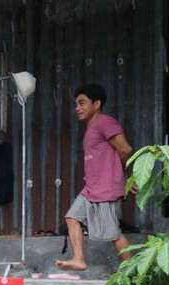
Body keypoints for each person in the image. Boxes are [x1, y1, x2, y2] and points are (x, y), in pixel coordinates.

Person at [57, 84, 135, 271]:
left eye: (82, 103)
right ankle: (79, 259)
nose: (77, 108)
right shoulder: (91, 128)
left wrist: (124, 177)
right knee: (72, 218)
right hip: (92, 187)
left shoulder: (104, 122)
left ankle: (133, 273)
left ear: (97, 104)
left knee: (113, 233)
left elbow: (125, 149)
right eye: (76, 104)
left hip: (105, 187)